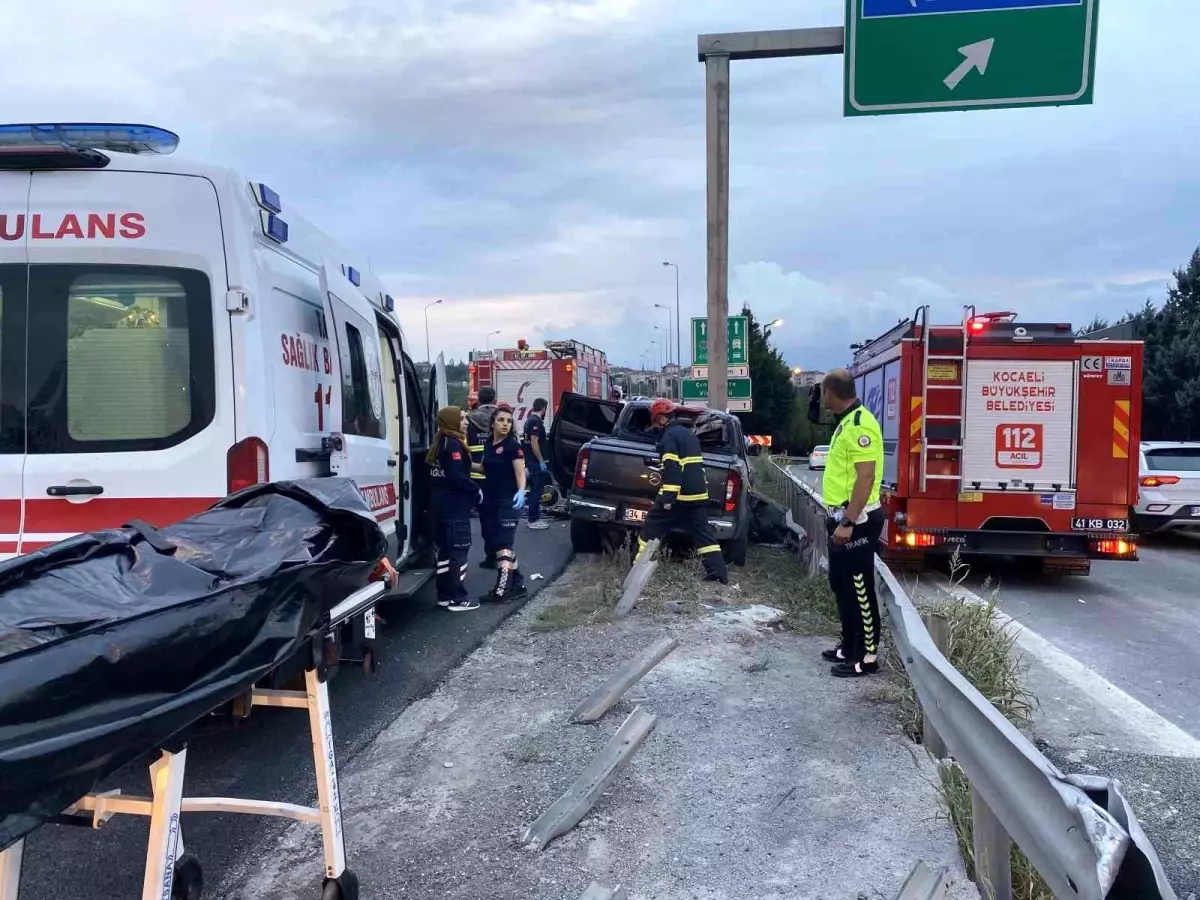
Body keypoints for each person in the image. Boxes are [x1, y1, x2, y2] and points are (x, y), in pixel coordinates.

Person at [818, 368, 885, 678]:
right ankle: (848, 645)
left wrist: (847, 521)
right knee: (842, 585)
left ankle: (867, 656)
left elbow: (866, 477)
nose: (821, 397)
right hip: (841, 518)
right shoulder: (845, 422)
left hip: (857, 519)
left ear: (831, 392)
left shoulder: (861, 425)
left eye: (822, 391)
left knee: (860, 588)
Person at [634, 399, 728, 584]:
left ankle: (638, 569)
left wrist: (668, 499)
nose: (655, 425)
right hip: (698, 495)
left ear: (661, 418)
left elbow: (673, 470)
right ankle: (718, 575)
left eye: (655, 421)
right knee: (704, 535)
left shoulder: (668, 437)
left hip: (679, 496)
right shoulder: (688, 435)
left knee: (651, 526)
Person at [427, 406, 482, 612]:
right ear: (451, 421)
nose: (466, 422)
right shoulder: (454, 444)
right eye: (462, 419)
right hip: (454, 507)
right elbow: (457, 476)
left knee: (445, 553)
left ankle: (444, 595)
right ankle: (458, 598)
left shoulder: (439, 442)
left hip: (438, 506)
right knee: (459, 551)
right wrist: (476, 490)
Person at [476, 404, 530, 603]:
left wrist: (521, 491)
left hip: (508, 501)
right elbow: (484, 468)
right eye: (501, 420)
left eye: (509, 421)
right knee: (495, 541)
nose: (505, 424)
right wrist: (463, 464)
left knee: (503, 544)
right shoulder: (489, 444)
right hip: (491, 500)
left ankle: (502, 590)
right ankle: (519, 585)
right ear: (492, 423)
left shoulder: (512, 446)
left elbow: (520, 473)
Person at [467, 386, 499, 566]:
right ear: (494, 399)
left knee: (486, 517)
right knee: (501, 517)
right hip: (500, 476)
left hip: (477, 477)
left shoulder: (469, 419)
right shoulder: (503, 419)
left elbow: (464, 448)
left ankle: (490, 556)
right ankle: (503, 557)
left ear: (478, 399)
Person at [523, 397, 551, 531]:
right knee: (536, 491)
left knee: (535, 490)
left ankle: (534, 518)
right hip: (535, 463)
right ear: (543, 408)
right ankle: (533, 520)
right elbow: (534, 443)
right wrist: (541, 461)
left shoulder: (529, 420)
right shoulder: (536, 422)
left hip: (530, 461)